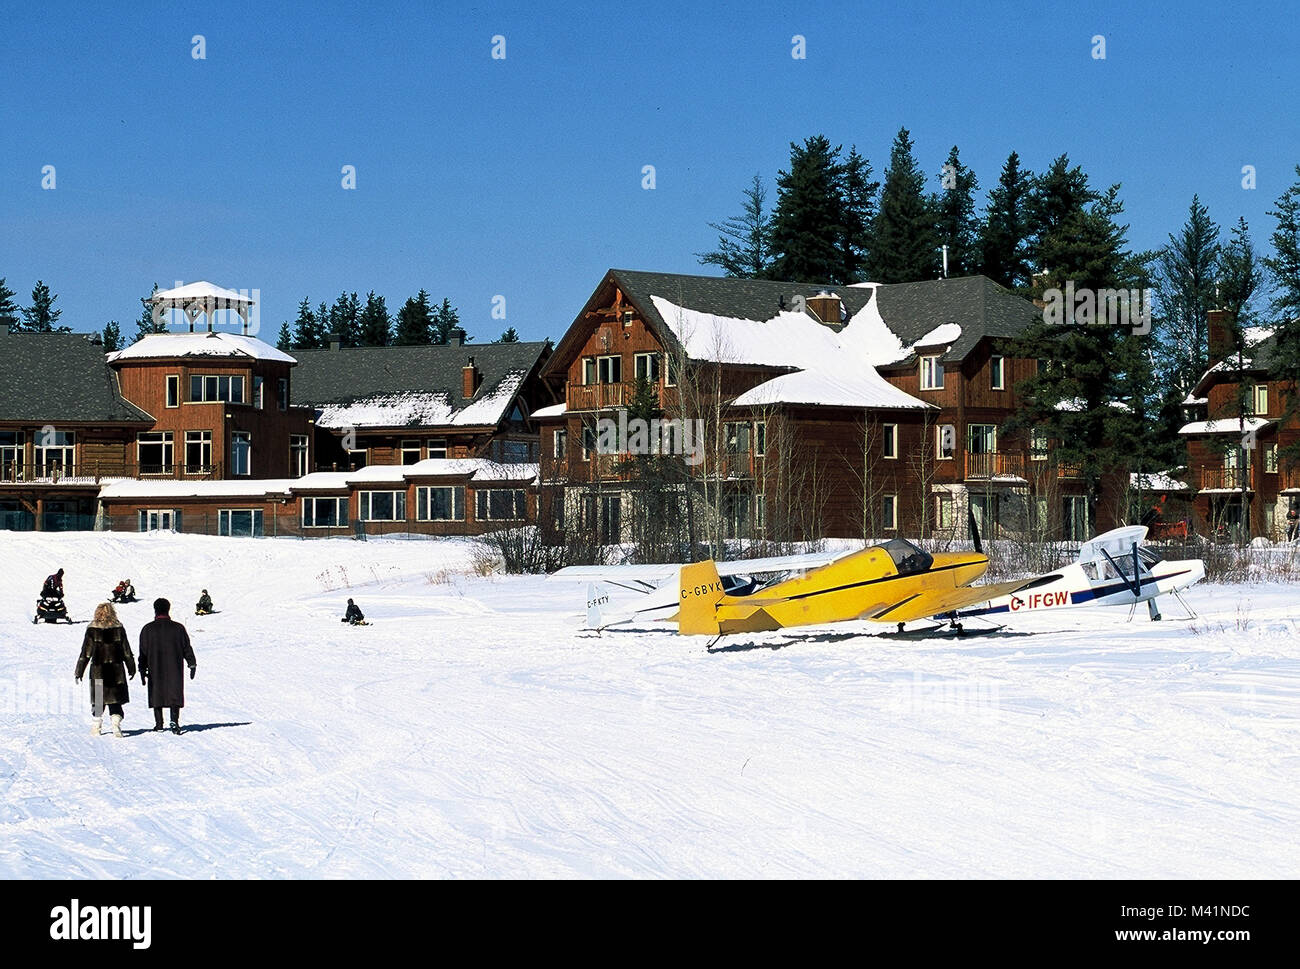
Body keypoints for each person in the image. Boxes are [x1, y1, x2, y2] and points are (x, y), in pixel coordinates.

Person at [75, 602, 137, 738]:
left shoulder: (92, 629)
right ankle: (116, 726)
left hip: (99, 670)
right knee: (115, 700)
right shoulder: (119, 628)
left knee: (98, 699)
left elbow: (85, 652)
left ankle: (96, 727)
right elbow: (126, 650)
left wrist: (79, 670)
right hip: (116, 671)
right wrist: (131, 667)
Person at [138, 597, 196, 735]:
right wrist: (192, 663)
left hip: (155, 667)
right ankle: (174, 721)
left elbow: (143, 652)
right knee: (174, 691)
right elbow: (186, 647)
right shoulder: (178, 628)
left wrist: (141, 668)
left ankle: (159, 724)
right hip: (174, 666)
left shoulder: (147, 629)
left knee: (156, 691)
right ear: (168, 609)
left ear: (155, 610)